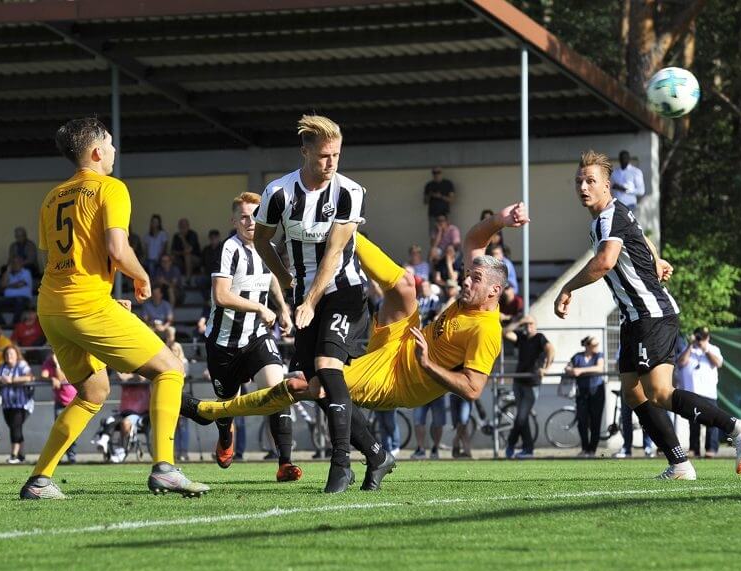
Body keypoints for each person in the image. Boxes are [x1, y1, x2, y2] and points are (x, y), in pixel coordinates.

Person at [183, 202, 529, 491]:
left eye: (475, 280)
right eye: (469, 275)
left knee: (305, 385)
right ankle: (347, 231)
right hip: (403, 341)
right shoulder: (477, 290)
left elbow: (472, 388)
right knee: (406, 284)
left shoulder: (486, 331)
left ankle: (210, 412)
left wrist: (427, 365)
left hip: (401, 379)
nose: (465, 281)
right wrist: (502, 220)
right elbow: (474, 238)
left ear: (495, 292)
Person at [20, 117, 207, 500]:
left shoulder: (52, 196)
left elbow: (56, 259)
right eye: (110, 143)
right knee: (170, 369)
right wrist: (142, 278)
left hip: (52, 306)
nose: (115, 151)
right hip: (85, 304)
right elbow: (117, 250)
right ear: (96, 151)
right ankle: (165, 469)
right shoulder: (111, 188)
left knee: (93, 390)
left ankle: (40, 479)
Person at [554, 150, 741, 479]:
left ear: (607, 185)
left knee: (659, 392)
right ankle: (679, 463)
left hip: (652, 314)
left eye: (590, 181)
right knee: (633, 391)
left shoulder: (610, 216)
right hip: (634, 320)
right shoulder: (609, 217)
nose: (583, 186)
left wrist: (567, 288)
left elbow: (605, 262)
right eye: (579, 181)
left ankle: (736, 428)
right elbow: (640, 235)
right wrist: (658, 259)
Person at [252, 115, 372, 493]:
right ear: (305, 152)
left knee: (326, 365)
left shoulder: (349, 191)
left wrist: (308, 302)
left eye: (336, 154)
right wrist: (287, 281)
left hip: (346, 291)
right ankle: (377, 452)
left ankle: (341, 464)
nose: (331, 162)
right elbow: (261, 241)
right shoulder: (279, 193)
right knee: (310, 386)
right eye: (323, 156)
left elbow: (334, 254)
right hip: (305, 293)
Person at [204, 192, 297, 480]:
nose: (250, 222)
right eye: (244, 216)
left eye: (255, 216)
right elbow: (221, 296)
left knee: (277, 392)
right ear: (234, 220)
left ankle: (285, 464)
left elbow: (270, 278)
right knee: (227, 407)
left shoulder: (266, 247)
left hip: (256, 336)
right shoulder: (228, 250)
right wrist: (259, 307)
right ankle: (225, 438)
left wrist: (282, 308)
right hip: (223, 344)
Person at [502, 315, 554, 459]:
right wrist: (519, 321)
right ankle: (528, 449)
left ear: (535, 325)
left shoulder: (540, 337)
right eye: (526, 325)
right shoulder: (522, 337)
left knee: (521, 417)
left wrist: (546, 368)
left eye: (531, 324)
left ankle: (511, 444)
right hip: (519, 382)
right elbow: (505, 333)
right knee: (522, 418)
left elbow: (551, 349)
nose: (528, 327)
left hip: (532, 383)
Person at [678, 327, 724, 458]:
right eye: (699, 337)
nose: (701, 340)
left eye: (703, 337)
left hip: (708, 393)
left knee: (712, 422)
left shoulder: (713, 349)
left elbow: (718, 363)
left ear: (708, 338)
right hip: (692, 392)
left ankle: (711, 449)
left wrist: (705, 349)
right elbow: (681, 362)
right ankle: (694, 449)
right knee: (693, 422)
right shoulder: (688, 349)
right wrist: (690, 346)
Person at [0, 344, 32, 463]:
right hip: (7, 404)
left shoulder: (21, 365)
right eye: (7, 354)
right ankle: (22, 455)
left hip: (21, 404)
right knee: (15, 428)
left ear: (16, 355)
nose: (9, 356)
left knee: (15, 427)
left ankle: (14, 455)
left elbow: (29, 377)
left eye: (12, 354)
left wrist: (13, 380)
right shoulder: (3, 367)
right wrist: (1, 379)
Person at [565, 336, 605, 457]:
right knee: (582, 421)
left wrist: (581, 371)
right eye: (594, 345)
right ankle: (584, 448)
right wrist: (571, 370)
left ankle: (592, 449)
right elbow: (568, 367)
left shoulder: (599, 355)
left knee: (595, 420)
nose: (596, 348)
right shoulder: (578, 356)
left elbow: (599, 368)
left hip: (596, 391)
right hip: (582, 391)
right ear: (587, 346)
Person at [41, 352, 78, 464]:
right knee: (59, 431)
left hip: (74, 402)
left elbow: (62, 377)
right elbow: (43, 375)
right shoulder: (49, 362)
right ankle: (59, 456)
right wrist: (51, 379)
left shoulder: (68, 357)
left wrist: (57, 364)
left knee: (72, 431)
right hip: (60, 402)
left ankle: (71, 454)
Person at [423, 167, 455, 237]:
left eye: (438, 172)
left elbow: (452, 200)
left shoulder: (447, 184)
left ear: (441, 173)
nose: (436, 174)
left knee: (447, 234)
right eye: (434, 173)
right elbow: (425, 201)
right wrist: (430, 195)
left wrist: (440, 196)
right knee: (433, 235)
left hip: (445, 214)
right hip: (433, 215)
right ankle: (434, 248)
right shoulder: (429, 185)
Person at [144, 214, 168, 278]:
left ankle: (153, 282)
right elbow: (146, 250)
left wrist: (159, 257)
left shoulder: (163, 234)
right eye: (153, 222)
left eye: (156, 222)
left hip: (159, 258)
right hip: (149, 259)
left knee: (152, 265)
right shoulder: (147, 235)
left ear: (159, 223)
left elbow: (164, 247)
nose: (155, 224)